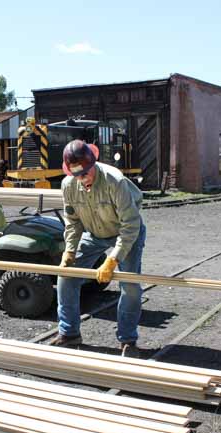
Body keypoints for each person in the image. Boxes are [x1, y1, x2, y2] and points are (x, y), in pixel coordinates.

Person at [52, 139, 146, 357]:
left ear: (93, 162)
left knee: (130, 284)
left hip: (125, 233)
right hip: (94, 234)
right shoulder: (68, 185)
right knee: (65, 277)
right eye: (78, 175)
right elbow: (73, 222)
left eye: (86, 172)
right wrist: (70, 251)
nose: (83, 178)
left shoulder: (115, 181)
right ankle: (69, 333)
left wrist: (113, 259)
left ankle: (128, 340)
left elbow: (130, 225)